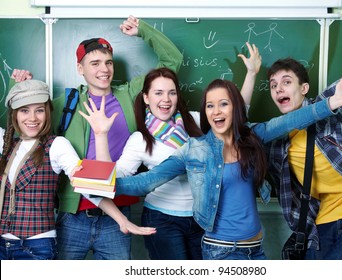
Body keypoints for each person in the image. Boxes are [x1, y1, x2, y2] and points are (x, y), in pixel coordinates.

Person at [81, 64, 342, 259]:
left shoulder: (251, 137)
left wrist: (333, 102)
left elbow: (291, 120)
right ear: (204, 113)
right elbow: (145, 182)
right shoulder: (194, 149)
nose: (216, 110)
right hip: (220, 251)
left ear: (235, 108)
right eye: (209, 105)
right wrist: (95, 181)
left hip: (256, 249)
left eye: (224, 103)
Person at [82, 43, 262, 260]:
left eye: (171, 93)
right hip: (162, 220)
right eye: (158, 93)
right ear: (147, 98)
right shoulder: (140, 140)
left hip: (202, 218)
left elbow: (236, 117)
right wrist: (101, 136)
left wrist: (251, 74)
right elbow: (112, 178)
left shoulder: (196, 122)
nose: (166, 100)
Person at [42, 15, 184, 260]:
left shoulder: (129, 95)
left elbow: (173, 61)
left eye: (108, 62)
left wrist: (144, 31)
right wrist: (16, 84)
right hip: (73, 213)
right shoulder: (66, 104)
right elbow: (27, 126)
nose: (104, 69)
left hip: (118, 213)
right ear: (80, 68)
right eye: (95, 63)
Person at [265, 14, 342, 259]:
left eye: (286, 81)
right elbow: (237, 131)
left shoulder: (333, 103)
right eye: (272, 85)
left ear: (304, 89)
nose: (278, 88)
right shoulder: (276, 141)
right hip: (319, 225)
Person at [0, 78, 155, 260]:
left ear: (48, 113)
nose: (32, 118)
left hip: (36, 246)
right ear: (15, 114)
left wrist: (122, 220)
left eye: (39, 110)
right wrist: (13, 86)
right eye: (24, 110)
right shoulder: (6, 142)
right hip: (4, 244)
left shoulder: (57, 145)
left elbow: (87, 187)